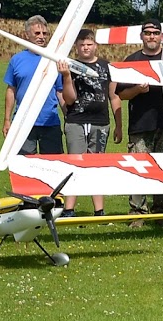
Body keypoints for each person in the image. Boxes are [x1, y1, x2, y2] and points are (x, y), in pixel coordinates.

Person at [117, 22, 163, 227]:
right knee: (140, 168)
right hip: (140, 124)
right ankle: (137, 213)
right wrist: (138, 89)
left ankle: (161, 213)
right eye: (147, 33)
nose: (151, 37)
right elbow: (121, 94)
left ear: (162, 37)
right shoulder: (132, 61)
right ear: (142, 36)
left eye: (156, 33)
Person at [59, 30, 119, 217]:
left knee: (96, 165)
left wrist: (118, 125)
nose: (85, 48)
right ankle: (69, 209)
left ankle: (99, 210)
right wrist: (67, 76)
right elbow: (69, 99)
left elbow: (114, 96)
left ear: (95, 46)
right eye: (82, 45)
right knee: (74, 163)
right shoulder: (69, 65)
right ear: (76, 47)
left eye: (89, 44)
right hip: (76, 121)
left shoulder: (106, 66)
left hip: (100, 122)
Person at [5, 15, 64, 155]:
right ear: (27, 35)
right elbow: (11, 90)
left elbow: (60, 91)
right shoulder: (17, 60)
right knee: (24, 167)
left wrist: (69, 116)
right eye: (37, 33)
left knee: (53, 167)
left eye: (45, 33)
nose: (41, 37)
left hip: (50, 121)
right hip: (22, 122)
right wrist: (7, 120)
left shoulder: (55, 59)